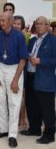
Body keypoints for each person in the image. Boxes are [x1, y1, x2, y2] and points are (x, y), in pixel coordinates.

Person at [0, 12, 29, 148]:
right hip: (0, 67)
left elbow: (23, 60)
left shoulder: (20, 36)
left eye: (4, 20)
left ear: (11, 21)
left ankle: (12, 134)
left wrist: (15, 79)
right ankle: (3, 129)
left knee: (14, 102)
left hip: (14, 69)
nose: (1, 22)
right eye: (0, 20)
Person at [21, 16, 56, 144]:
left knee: (46, 107)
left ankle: (49, 134)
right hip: (30, 76)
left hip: (44, 79)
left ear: (48, 26)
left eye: (42, 24)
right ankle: (34, 128)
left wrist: (41, 61)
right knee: (31, 104)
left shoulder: (53, 41)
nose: (39, 26)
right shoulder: (32, 40)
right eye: (37, 24)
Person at [13, 15, 30, 132]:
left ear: (22, 26)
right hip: (10, 69)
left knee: (21, 97)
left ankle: (22, 121)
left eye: (18, 24)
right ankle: (13, 120)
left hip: (22, 69)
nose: (16, 26)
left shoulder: (26, 37)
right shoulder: (9, 37)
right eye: (14, 23)